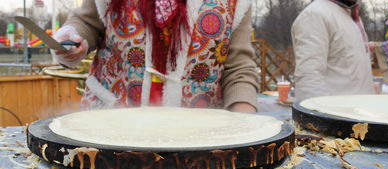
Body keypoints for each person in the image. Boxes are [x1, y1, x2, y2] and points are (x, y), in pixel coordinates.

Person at [52, 0, 259, 113]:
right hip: (113, 123)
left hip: (197, 135)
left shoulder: (236, 2)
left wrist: (244, 122)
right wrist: (71, 40)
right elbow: (86, 23)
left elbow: (238, 68)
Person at [291, 0, 374, 100]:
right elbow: (309, 79)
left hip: (362, 110)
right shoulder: (315, 15)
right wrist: (321, 114)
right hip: (337, 112)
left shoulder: (351, 15)